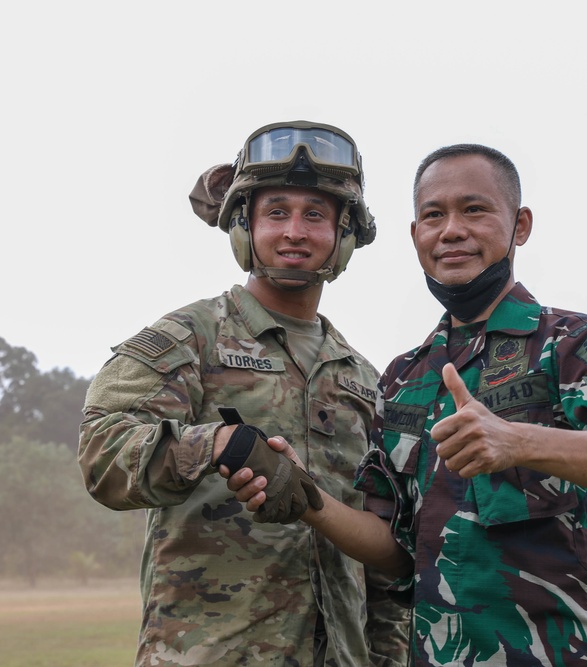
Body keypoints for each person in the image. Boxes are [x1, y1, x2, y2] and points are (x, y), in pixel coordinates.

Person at [229, 143, 587, 665]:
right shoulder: (401, 378)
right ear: (415, 235)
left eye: (475, 210)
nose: (452, 231)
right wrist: (306, 498)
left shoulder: (573, 343)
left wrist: (519, 441)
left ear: (521, 225)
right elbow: (395, 552)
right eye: (433, 216)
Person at [78, 121, 410, 667]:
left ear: (343, 234)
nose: (295, 232)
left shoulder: (366, 383)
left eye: (316, 215)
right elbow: (102, 456)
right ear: (244, 228)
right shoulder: (190, 339)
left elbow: (387, 570)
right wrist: (218, 445)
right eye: (276, 212)